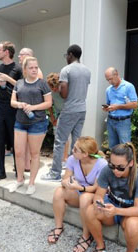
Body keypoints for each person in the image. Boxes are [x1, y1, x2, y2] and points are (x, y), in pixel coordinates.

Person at [84, 143, 138, 252]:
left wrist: (116, 211)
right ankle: (100, 247)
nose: (115, 170)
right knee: (90, 211)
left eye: (120, 167)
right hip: (112, 205)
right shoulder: (107, 170)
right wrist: (99, 203)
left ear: (131, 163)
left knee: (133, 227)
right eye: (112, 165)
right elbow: (98, 195)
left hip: (130, 212)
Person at [47, 136, 107, 252]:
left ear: (85, 154)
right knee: (59, 191)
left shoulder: (102, 164)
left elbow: (96, 188)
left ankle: (86, 236)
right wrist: (66, 183)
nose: (72, 151)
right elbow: (65, 178)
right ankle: (59, 227)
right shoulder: (72, 159)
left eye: (75, 149)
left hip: (94, 195)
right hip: (78, 191)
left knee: (85, 197)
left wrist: (78, 187)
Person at [42, 44, 91, 181]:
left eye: (66, 56)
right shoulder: (87, 70)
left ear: (70, 55)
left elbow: (64, 94)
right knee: (77, 143)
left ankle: (55, 174)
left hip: (69, 110)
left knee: (59, 142)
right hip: (82, 109)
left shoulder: (66, 70)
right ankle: (74, 174)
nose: (66, 58)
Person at [10, 57, 52, 194]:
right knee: (19, 153)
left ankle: (32, 183)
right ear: (25, 69)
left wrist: (32, 107)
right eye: (31, 68)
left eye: (36, 67)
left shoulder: (42, 84)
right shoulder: (19, 83)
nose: (34, 70)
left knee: (34, 154)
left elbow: (48, 103)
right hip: (20, 122)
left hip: (37, 123)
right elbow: (12, 102)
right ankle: (20, 180)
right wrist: (19, 104)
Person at [0, 41, 23, 183]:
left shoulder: (18, 68)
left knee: (15, 140)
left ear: (6, 52)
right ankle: (0, 171)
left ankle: (19, 170)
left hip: (13, 108)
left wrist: (8, 79)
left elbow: (23, 86)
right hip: (0, 107)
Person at [18, 47, 44, 172]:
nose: (19, 57)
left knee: (32, 147)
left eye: (21, 54)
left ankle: (29, 165)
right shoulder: (24, 74)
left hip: (35, 117)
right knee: (24, 145)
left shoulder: (37, 73)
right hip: (23, 114)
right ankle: (26, 165)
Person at [103, 67, 138, 148]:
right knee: (112, 147)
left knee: (125, 147)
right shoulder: (108, 90)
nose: (109, 82)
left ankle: (128, 161)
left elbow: (135, 104)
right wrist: (106, 108)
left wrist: (118, 106)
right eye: (107, 80)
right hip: (111, 121)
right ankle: (114, 161)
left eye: (111, 79)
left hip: (123, 121)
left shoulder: (128, 86)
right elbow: (108, 104)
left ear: (116, 74)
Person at [47, 72, 69, 168]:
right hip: (57, 114)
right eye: (52, 88)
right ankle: (58, 158)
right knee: (57, 136)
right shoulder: (50, 92)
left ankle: (64, 159)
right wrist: (52, 117)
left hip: (66, 113)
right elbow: (50, 105)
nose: (54, 90)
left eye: (55, 87)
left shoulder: (64, 90)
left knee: (64, 137)